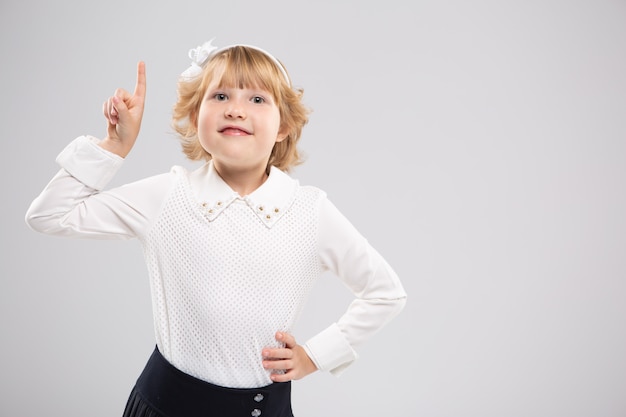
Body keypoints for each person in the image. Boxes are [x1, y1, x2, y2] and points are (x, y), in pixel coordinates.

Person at [25, 39, 407, 417]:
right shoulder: (166, 196)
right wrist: (114, 146)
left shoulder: (309, 212)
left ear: (283, 126)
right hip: (163, 405)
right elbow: (49, 215)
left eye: (257, 100)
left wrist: (316, 356)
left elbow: (385, 293)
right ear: (195, 118)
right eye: (220, 96)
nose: (236, 111)